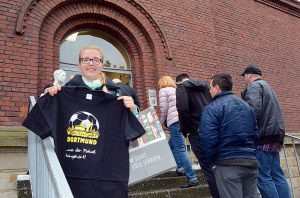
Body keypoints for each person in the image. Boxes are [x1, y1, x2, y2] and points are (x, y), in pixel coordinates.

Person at [24, 45, 146, 198]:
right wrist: (47, 98)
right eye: (86, 59)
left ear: (102, 64)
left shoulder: (117, 96)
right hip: (71, 181)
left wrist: (132, 109)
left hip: (107, 184)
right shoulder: (62, 94)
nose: (91, 63)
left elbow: (137, 133)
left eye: (96, 60)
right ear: (79, 64)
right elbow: (37, 120)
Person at [199, 73, 259, 198]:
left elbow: (208, 139)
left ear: (217, 87)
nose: (209, 91)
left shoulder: (211, 108)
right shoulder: (246, 106)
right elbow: (255, 133)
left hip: (227, 165)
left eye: (210, 87)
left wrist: (209, 163)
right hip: (250, 163)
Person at [240, 65, 290, 198]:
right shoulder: (268, 87)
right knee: (277, 174)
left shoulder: (254, 87)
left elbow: (253, 111)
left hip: (263, 136)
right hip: (275, 135)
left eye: (244, 76)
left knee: (263, 177)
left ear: (249, 75)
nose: (244, 79)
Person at [175, 73, 219, 197]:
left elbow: (182, 109)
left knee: (207, 169)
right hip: (213, 129)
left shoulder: (181, 88)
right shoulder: (205, 85)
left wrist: (185, 129)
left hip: (196, 131)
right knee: (217, 167)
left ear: (178, 82)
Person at [158, 76, 198, 188]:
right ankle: (180, 168)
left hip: (174, 122)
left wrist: (161, 121)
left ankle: (192, 177)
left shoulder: (163, 90)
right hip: (182, 121)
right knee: (172, 145)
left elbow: (163, 108)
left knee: (180, 148)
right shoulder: (176, 90)